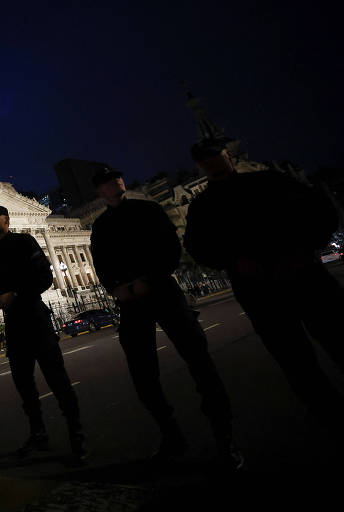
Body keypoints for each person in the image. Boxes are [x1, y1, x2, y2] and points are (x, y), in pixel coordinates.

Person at [89, 167, 242, 470]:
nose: (116, 182)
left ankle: (225, 437)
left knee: (199, 360)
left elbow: (171, 248)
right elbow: (101, 264)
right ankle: (171, 434)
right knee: (142, 373)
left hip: (163, 291)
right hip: (131, 302)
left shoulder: (149, 209)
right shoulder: (101, 226)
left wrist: (150, 277)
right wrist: (116, 287)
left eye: (117, 177)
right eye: (108, 182)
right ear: (100, 192)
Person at [185, 138, 344, 425]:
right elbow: (198, 248)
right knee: (295, 360)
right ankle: (328, 413)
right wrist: (233, 261)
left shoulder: (269, 181)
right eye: (202, 160)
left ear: (227, 155)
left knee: (338, 336)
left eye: (214, 155)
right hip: (260, 291)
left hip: (304, 277)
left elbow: (320, 209)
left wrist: (305, 248)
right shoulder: (203, 206)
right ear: (198, 166)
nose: (210, 162)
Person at [0, 205, 86, 460]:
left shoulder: (25, 241)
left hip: (34, 316)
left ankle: (76, 433)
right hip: (14, 324)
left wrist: (15, 293)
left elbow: (44, 277)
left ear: (6, 220)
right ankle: (38, 432)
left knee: (57, 377)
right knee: (23, 384)